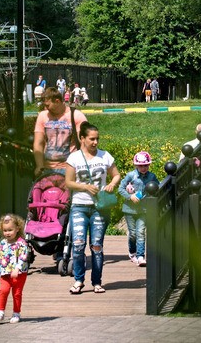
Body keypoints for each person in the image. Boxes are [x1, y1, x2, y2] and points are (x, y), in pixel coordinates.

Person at [64, 123, 120, 294]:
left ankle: (96, 282)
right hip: (79, 206)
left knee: (96, 246)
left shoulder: (105, 156)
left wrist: (111, 184)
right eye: (92, 139)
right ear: (82, 139)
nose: (95, 142)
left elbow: (116, 175)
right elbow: (68, 182)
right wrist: (85, 187)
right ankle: (79, 280)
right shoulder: (74, 158)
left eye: (97, 139)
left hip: (99, 208)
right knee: (78, 244)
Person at [33, 87, 88, 177]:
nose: (46, 108)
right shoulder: (43, 116)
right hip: (47, 168)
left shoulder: (76, 115)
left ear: (57, 101)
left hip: (70, 168)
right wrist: (39, 166)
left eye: (48, 105)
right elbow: (38, 143)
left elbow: (84, 143)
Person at [119, 151, 160, 267]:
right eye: (141, 166)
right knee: (133, 233)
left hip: (144, 209)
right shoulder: (131, 176)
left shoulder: (152, 176)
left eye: (146, 165)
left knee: (141, 232)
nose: (143, 168)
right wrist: (130, 196)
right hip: (129, 209)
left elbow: (158, 187)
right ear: (136, 165)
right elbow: (120, 189)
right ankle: (133, 252)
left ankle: (141, 256)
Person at [0, 214, 30, 323]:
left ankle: (16, 313)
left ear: (17, 229)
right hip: (5, 272)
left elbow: (23, 256)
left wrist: (17, 268)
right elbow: (0, 257)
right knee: (3, 290)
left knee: (17, 293)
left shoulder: (21, 243)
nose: (7, 233)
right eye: (5, 230)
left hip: (19, 273)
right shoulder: (3, 243)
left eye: (10, 230)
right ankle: (0, 312)